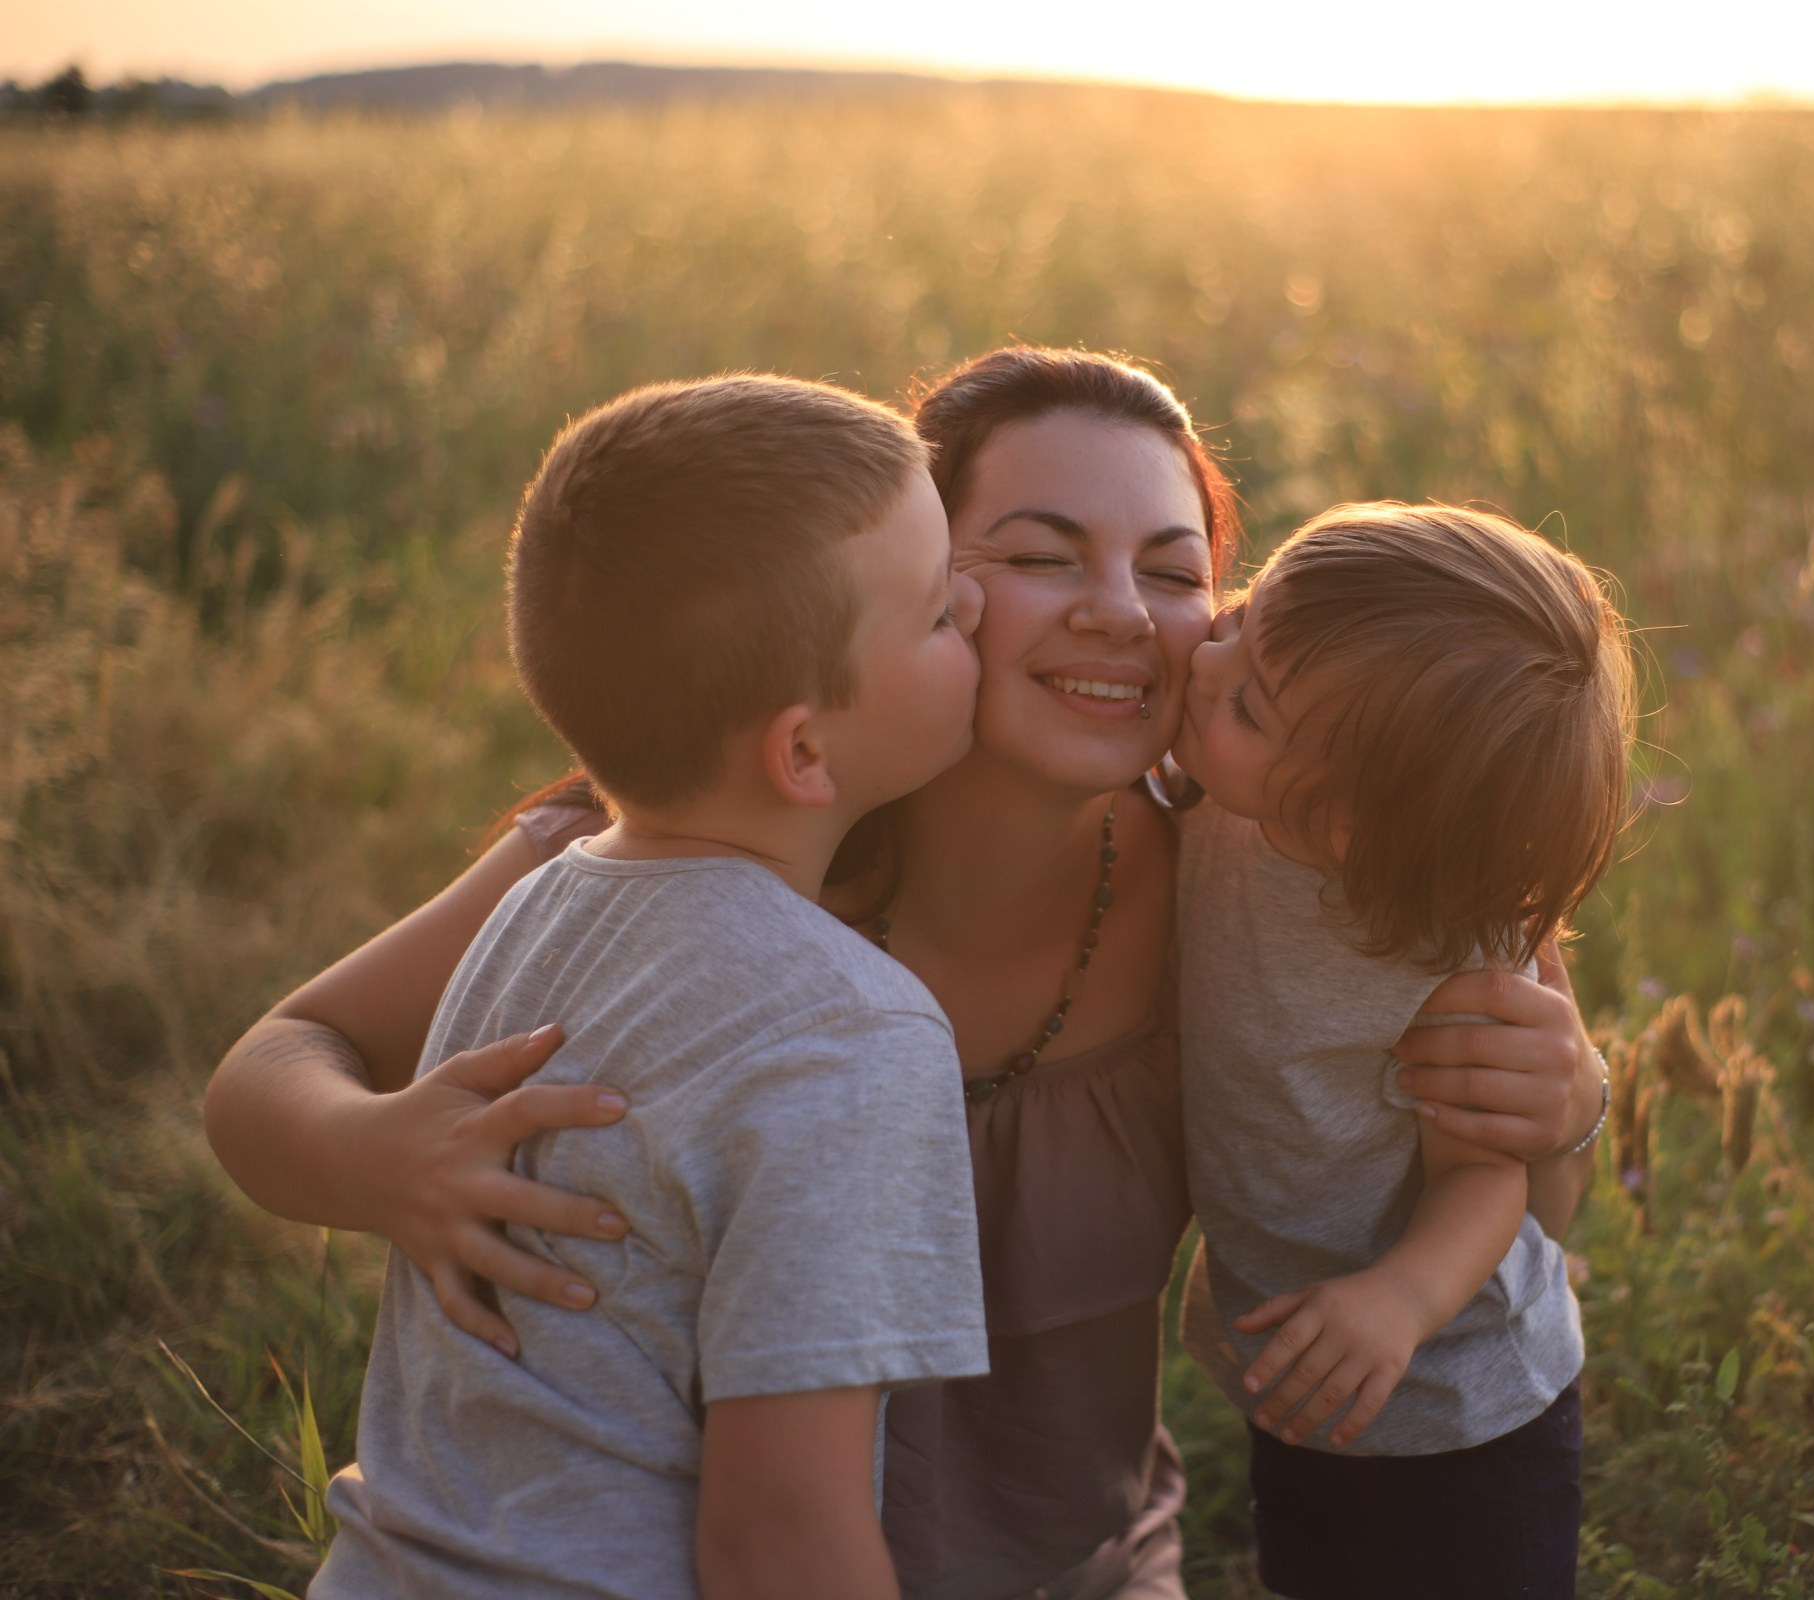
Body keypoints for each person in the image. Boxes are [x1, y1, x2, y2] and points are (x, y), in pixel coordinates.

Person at [206, 347, 1611, 1600]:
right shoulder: (672, 855)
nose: (1125, 612)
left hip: (1085, 1566)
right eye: (1043, 555)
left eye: (1178, 573)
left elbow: (1507, 1201)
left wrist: (1564, 1110)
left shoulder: (1255, 872)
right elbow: (278, 1063)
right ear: (910, 578)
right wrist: (377, 1156)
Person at [311, 375, 994, 1600]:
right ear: (802, 751)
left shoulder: (538, 907)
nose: (982, 609)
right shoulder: (856, 1034)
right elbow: (781, 1537)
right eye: (943, 611)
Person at [1171, 504, 1632, 1600]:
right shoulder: (1210, 799)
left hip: (1464, 1403)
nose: (1203, 661)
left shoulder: (1445, 948)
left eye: (1245, 699)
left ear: (1349, 829)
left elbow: (1485, 1177)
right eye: (1241, 614)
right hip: (1299, 1367)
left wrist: (1397, 1301)